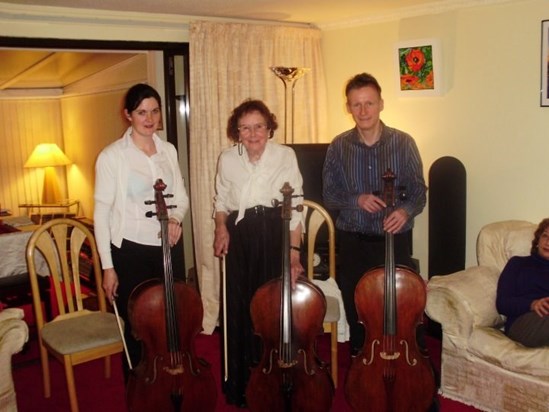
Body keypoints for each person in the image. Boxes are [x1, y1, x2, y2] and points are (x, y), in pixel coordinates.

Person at [322, 72, 427, 355]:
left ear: (381, 103)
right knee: (359, 311)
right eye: (356, 104)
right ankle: (362, 361)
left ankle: (404, 362)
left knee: (399, 308)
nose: (363, 111)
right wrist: (357, 200)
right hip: (354, 242)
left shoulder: (404, 143)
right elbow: (329, 194)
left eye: (369, 103)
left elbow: (419, 190)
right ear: (348, 107)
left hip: (394, 240)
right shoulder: (338, 146)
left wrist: (405, 211)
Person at [213, 99, 304, 407]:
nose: (253, 134)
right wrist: (220, 228)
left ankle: (277, 384)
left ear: (269, 128)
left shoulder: (285, 156)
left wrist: (293, 252)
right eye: (245, 127)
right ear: (236, 131)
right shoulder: (227, 159)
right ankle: (240, 385)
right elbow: (222, 200)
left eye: (259, 126)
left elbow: (297, 206)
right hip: (240, 237)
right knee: (238, 308)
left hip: (273, 234)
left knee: (272, 311)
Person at [94, 83, 189, 377]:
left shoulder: (168, 151)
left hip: (165, 249)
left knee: (168, 323)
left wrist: (175, 219)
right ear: (128, 115)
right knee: (137, 327)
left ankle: (167, 383)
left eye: (155, 111)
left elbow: (181, 197)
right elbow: (101, 213)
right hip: (130, 251)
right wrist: (108, 267)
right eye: (141, 112)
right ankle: (139, 391)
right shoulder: (112, 157)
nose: (150, 119)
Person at [496, 218, 549, 347]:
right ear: (537, 241)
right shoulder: (518, 264)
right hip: (523, 322)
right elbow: (502, 303)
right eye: (545, 236)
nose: (548, 242)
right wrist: (532, 304)